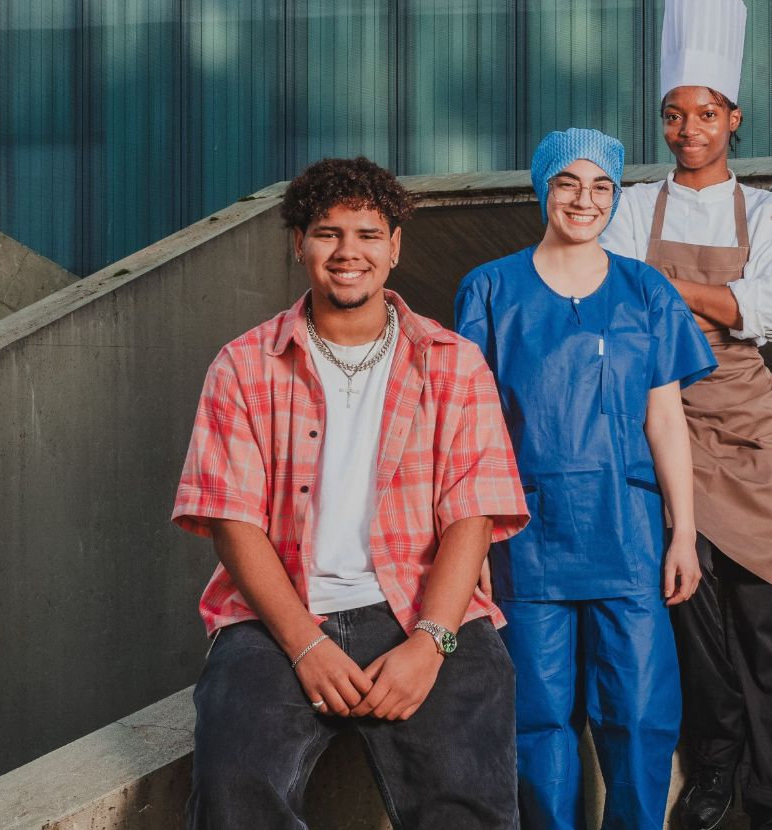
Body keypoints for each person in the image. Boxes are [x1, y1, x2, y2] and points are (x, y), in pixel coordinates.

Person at [171, 156, 531, 828]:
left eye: (368, 234)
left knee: (468, 801)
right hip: (276, 620)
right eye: (328, 233)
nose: (348, 252)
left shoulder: (453, 363)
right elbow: (232, 521)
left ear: (394, 247)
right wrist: (306, 644)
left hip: (427, 610)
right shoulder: (244, 365)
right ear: (299, 243)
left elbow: (471, 515)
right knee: (234, 791)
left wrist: (430, 643)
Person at [457, 128, 718, 830]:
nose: (585, 199)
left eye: (601, 186)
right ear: (543, 189)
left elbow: (665, 420)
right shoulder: (489, 290)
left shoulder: (645, 289)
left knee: (640, 712)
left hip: (627, 532)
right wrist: (472, 544)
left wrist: (683, 532)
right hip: (525, 537)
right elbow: (472, 431)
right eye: (568, 183)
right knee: (536, 721)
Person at [596, 2, 772, 827]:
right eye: (674, 115)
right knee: (690, 622)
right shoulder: (628, 206)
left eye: (706, 114)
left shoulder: (770, 213)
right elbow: (609, 301)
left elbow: (770, 311)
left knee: (766, 620)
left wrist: (664, 291)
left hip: (749, 432)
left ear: (734, 119)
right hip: (657, 426)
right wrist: (709, 300)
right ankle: (715, 778)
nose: (689, 128)